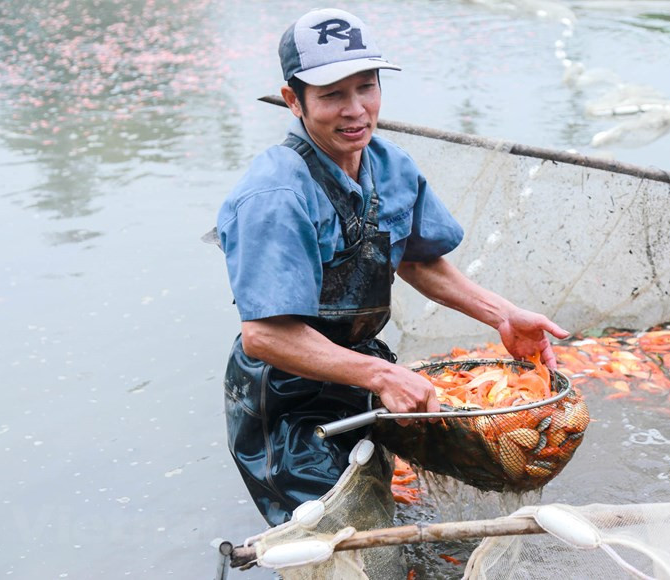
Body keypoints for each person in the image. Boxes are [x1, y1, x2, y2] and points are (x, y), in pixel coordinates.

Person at [216, 7, 569, 526]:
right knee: (332, 530)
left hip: (358, 371)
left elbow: (418, 261)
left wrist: (502, 315)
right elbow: (265, 336)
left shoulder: (390, 166)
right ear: (293, 100)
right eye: (332, 95)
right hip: (286, 398)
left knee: (374, 500)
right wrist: (383, 374)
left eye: (366, 87)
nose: (355, 110)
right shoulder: (275, 194)